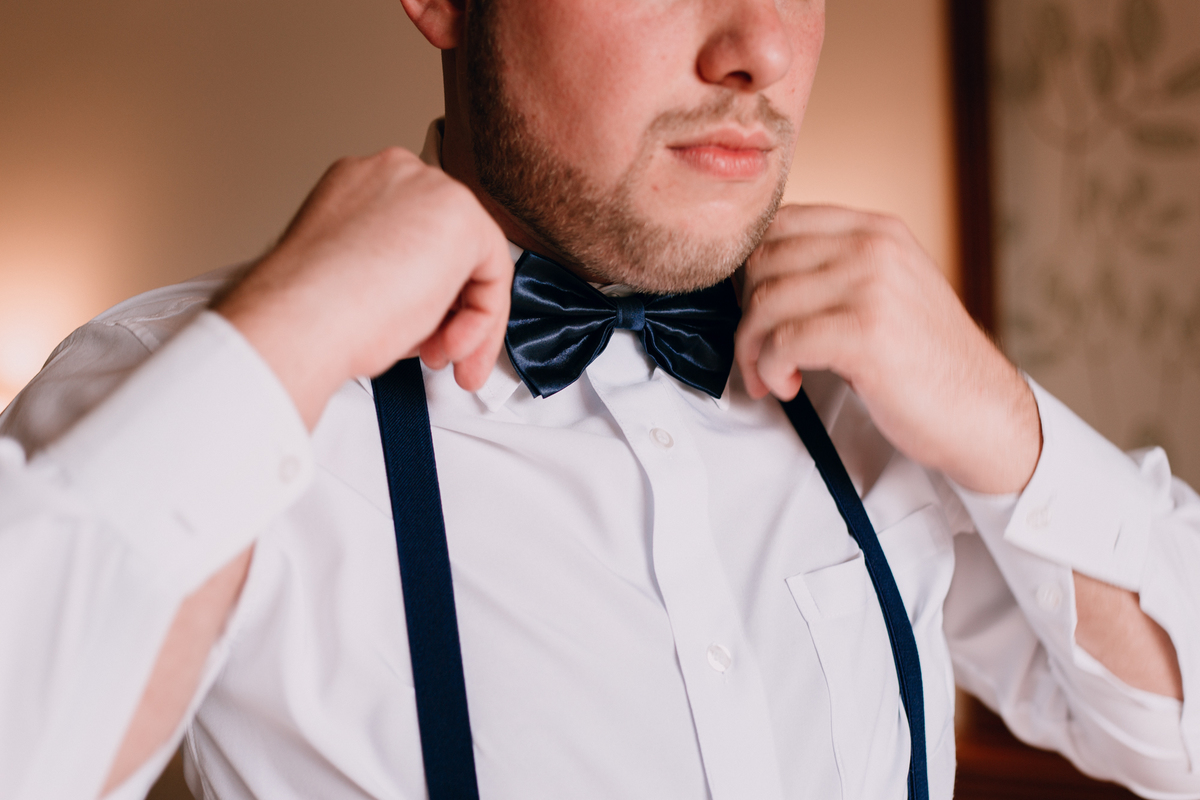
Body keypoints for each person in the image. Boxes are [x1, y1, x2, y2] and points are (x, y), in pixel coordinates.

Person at [1, 0, 1197, 798]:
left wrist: (1011, 427)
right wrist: (287, 334)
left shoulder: (878, 394)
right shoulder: (190, 387)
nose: (760, 53)